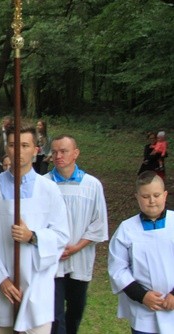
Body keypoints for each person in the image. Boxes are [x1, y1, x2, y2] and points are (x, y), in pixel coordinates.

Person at [0, 125, 69, 334]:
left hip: (36, 283)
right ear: (7, 148)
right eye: (13, 145)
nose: (19, 151)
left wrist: (32, 236)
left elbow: (61, 234)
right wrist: (1, 280)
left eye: (25, 145)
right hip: (4, 285)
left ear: (35, 149)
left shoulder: (49, 190)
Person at [47, 135, 109, 334]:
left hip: (80, 259)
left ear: (76, 153)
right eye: (54, 151)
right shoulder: (44, 183)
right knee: (54, 315)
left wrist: (76, 247)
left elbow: (98, 223)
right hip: (52, 261)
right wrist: (54, 247)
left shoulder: (92, 185)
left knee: (75, 310)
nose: (58, 156)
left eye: (63, 151)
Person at [108, 171, 174, 334]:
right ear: (137, 197)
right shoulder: (127, 229)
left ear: (165, 195)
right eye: (145, 197)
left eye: (156, 195)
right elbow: (118, 269)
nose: (152, 201)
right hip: (144, 311)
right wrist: (142, 295)